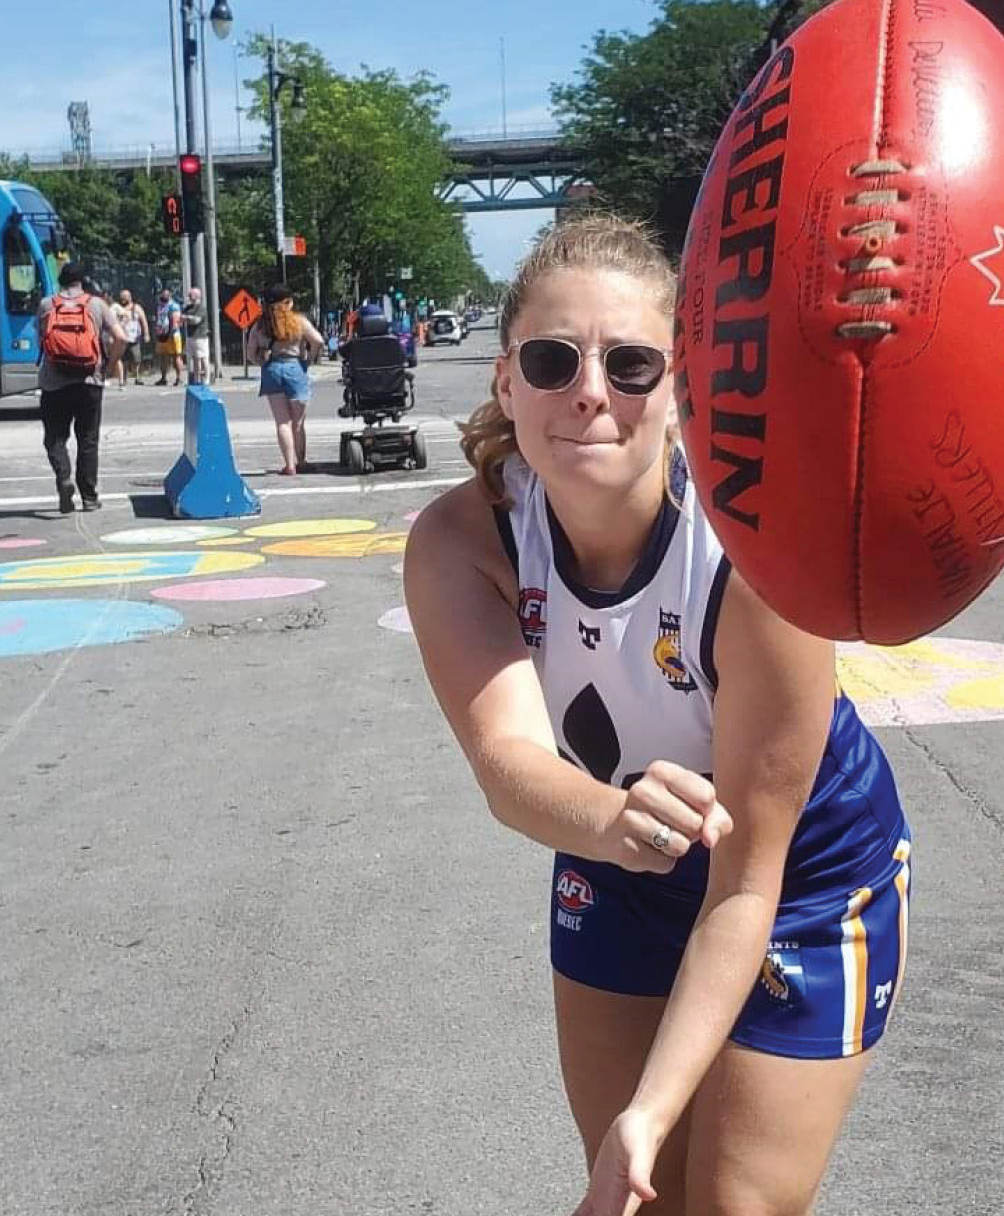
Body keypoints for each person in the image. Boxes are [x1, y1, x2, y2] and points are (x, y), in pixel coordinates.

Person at [402, 215, 912, 1216]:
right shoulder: (466, 538)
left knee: (730, 1203)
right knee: (638, 1198)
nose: (591, 390)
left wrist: (651, 1107)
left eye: (632, 364)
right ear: (507, 381)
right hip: (615, 847)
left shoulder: (755, 556)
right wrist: (609, 822)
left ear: (681, 391)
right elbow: (507, 757)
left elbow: (744, 881)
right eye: (553, 360)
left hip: (799, 873)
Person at [36, 262, 110, 513]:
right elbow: (121, 337)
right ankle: (89, 497)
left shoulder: (47, 305)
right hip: (89, 381)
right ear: (83, 281)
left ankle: (63, 477)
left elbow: (42, 338)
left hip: (54, 382)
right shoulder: (97, 304)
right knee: (88, 439)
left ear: (61, 280)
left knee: (55, 438)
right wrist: (108, 364)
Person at [243, 283, 325, 475]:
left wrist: (262, 363)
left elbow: (250, 353)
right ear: (287, 302)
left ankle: (289, 465)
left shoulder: (260, 325)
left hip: (272, 370)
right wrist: (309, 359)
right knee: (298, 422)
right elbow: (318, 341)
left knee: (282, 422)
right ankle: (301, 461)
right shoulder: (299, 321)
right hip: (295, 367)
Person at [105, 288, 143, 387]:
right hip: (106, 336)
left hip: (121, 336)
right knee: (109, 358)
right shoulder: (103, 306)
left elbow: (127, 316)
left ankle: (122, 380)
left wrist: (119, 326)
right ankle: (112, 378)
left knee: (121, 357)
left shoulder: (115, 307)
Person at [155, 288, 184, 385]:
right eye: (162, 296)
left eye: (166, 296)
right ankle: (163, 378)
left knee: (176, 356)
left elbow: (175, 321)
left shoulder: (174, 306)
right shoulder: (160, 306)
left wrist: (171, 334)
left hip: (173, 334)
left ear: (170, 296)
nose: (163, 297)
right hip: (161, 334)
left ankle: (179, 378)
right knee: (163, 356)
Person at [183, 286, 210, 386]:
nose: (189, 296)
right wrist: (186, 318)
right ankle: (196, 379)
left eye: (191, 294)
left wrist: (187, 318)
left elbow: (196, 320)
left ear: (197, 296)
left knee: (203, 357)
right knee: (194, 358)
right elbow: (181, 318)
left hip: (200, 336)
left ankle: (206, 379)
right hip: (190, 336)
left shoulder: (201, 308)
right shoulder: (187, 308)